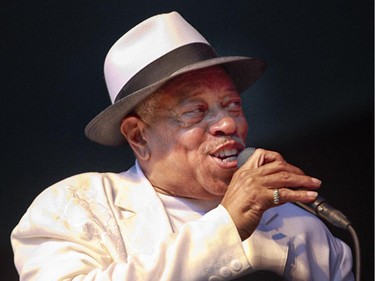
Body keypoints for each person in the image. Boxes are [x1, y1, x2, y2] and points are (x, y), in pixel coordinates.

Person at [11, 11, 354, 281]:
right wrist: (226, 225)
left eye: (233, 105)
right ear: (138, 137)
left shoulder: (300, 226)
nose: (228, 124)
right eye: (195, 112)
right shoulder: (75, 206)